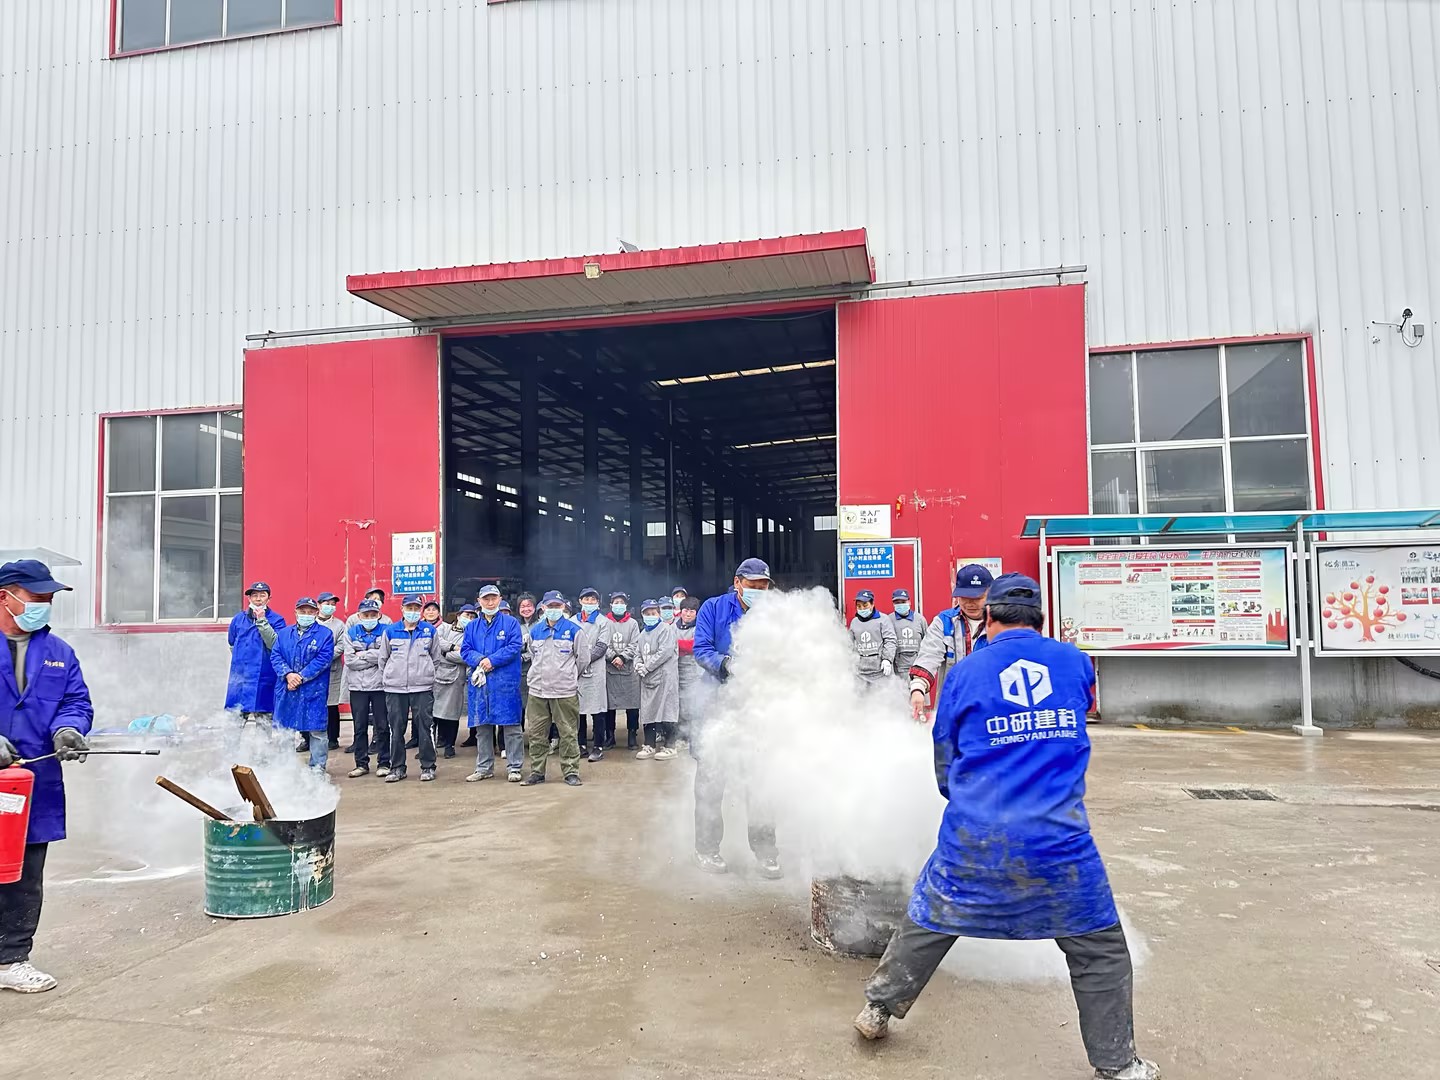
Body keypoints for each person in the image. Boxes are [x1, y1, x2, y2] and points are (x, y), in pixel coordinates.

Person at [853, 574, 1159, 1080]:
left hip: (976, 836)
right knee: (1099, 950)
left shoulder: (965, 673)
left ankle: (878, 1010)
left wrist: (966, 801)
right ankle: (1118, 1066)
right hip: (1059, 840)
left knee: (930, 916)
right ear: (1040, 618)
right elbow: (1081, 709)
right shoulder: (1076, 662)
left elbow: (945, 755)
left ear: (989, 618)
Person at [0, 560, 93, 994]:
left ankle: (11, 959)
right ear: (5, 596)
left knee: (24, 874)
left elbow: (76, 701)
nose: (45, 605)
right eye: (37, 597)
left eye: (49, 599)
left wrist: (69, 728)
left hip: (34, 782)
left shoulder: (59, 652)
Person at [691, 557, 781, 879]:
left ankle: (766, 852)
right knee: (711, 783)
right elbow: (701, 649)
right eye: (753, 585)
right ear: (738, 583)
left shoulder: (774, 615)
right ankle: (706, 850)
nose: (759, 591)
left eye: (764, 586)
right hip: (716, 704)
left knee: (760, 783)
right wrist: (725, 665)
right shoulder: (713, 608)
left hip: (756, 708)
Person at [908, 563, 994, 721]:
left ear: (990, 594)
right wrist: (918, 688)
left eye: (977, 598)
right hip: (952, 708)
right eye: (964, 598)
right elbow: (929, 655)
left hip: (991, 709)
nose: (970, 604)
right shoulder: (944, 622)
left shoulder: (1000, 623)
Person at [520, 592, 586, 786]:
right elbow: (533, 655)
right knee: (537, 733)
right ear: (543, 608)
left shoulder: (574, 631)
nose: (554, 609)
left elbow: (583, 660)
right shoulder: (535, 631)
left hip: (564, 691)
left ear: (563, 607)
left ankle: (571, 772)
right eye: (550, 606)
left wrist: (568, 677)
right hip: (538, 691)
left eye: (557, 606)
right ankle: (537, 772)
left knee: (568, 733)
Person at [462, 585, 524, 782]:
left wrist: (492, 660)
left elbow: (515, 646)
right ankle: (484, 768)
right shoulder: (472, 626)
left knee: (512, 727)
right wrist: (481, 659)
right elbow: (465, 650)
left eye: (493, 598)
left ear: (500, 599)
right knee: (482, 727)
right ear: (479, 601)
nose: (490, 602)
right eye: (486, 599)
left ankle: (514, 767)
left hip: (505, 682)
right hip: (481, 684)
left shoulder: (511, 623)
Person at [379, 595, 444, 783]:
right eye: (409, 608)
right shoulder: (391, 631)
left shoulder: (429, 631)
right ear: (402, 609)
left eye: (416, 608)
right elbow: (383, 659)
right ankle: (397, 768)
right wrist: (392, 677)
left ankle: (428, 766)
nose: (413, 612)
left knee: (425, 727)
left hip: (422, 688)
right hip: (395, 689)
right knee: (396, 728)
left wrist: (426, 674)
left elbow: (436, 658)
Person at [270, 597, 337, 772]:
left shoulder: (325, 634)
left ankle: (317, 769)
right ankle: (285, 769)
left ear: (316, 613)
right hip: (287, 688)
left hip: (312, 689)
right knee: (285, 729)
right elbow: (276, 656)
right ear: (296, 612)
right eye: (302, 611)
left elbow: (323, 659)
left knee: (317, 731)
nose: (306, 615)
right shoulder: (284, 634)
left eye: (310, 612)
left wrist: (300, 677)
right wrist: (287, 674)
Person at [342, 598, 389, 778]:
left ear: (379, 615)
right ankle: (361, 764)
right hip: (357, 687)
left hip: (380, 686)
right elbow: (350, 660)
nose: (369, 618)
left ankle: (384, 763)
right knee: (359, 726)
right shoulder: (351, 632)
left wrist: (362, 654)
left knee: (382, 726)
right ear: (359, 616)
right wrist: (373, 657)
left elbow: (385, 657)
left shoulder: (386, 631)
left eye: (373, 614)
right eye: (366, 615)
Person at [225, 581, 286, 721]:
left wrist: (262, 620)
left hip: (265, 676)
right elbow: (232, 643)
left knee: (264, 719)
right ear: (249, 598)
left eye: (262, 595)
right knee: (235, 719)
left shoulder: (277, 620)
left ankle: (263, 737)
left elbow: (275, 644)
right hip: (240, 677)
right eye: (254, 595)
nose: (258, 599)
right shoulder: (238, 619)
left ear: (269, 599)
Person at [634, 599, 680, 761]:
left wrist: (647, 667)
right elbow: (637, 653)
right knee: (648, 711)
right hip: (648, 679)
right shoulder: (642, 634)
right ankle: (649, 745)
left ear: (658, 614)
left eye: (653, 613)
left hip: (665, 678)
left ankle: (670, 746)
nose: (650, 616)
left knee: (667, 710)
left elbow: (665, 652)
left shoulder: (666, 630)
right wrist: (638, 665)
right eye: (647, 613)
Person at [602, 591, 642, 750]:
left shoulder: (633, 624)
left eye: (622, 602)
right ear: (611, 604)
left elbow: (635, 643)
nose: (619, 605)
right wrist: (613, 656)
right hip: (609, 669)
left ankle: (632, 735)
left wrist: (623, 657)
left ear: (626, 605)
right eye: (616, 602)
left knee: (632, 705)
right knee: (609, 705)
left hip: (629, 670)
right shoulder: (604, 622)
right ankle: (610, 736)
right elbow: (602, 642)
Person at [572, 587, 608, 759]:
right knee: (578, 710)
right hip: (577, 671)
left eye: (593, 599)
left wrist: (584, 660)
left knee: (597, 710)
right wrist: (579, 662)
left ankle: (598, 746)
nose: (589, 602)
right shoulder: (572, 621)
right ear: (580, 601)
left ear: (598, 602)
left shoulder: (603, 622)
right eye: (586, 599)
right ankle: (581, 744)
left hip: (595, 672)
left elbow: (601, 647)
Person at [430, 602, 467, 759]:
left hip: (456, 679)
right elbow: (436, 642)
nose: (469, 618)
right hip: (437, 677)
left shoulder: (472, 633)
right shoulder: (444, 628)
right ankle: (431, 746)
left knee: (452, 713)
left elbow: (466, 655)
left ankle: (449, 746)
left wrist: (445, 654)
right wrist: (452, 647)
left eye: (472, 616)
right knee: (433, 713)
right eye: (466, 615)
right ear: (458, 616)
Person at [849, 589, 897, 684]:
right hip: (861, 673)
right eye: (859, 606)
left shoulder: (883, 619)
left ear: (872, 604)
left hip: (880, 672)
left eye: (865, 605)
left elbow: (890, 640)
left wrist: (887, 659)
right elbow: (850, 644)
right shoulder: (854, 622)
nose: (862, 609)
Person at [674, 595, 703, 750]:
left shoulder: (700, 627)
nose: (688, 614)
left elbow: (694, 646)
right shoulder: (673, 627)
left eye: (692, 611)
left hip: (693, 673)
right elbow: (667, 645)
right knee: (678, 706)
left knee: (691, 705)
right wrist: (680, 646)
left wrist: (677, 645)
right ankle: (681, 736)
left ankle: (693, 737)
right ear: (680, 611)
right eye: (686, 610)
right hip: (676, 672)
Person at [318, 592, 346, 751]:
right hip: (312, 671)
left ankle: (333, 738)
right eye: (326, 603)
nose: (330, 606)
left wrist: (323, 657)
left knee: (331, 705)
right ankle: (306, 738)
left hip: (332, 670)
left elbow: (341, 646)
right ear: (319, 604)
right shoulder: (311, 622)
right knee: (311, 704)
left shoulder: (339, 625)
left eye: (332, 604)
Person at [888, 588, 926, 678]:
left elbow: (927, 643)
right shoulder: (888, 620)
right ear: (893, 604)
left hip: (918, 670)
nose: (900, 604)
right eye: (897, 602)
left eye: (903, 602)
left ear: (909, 602)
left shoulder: (920, 620)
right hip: (897, 672)